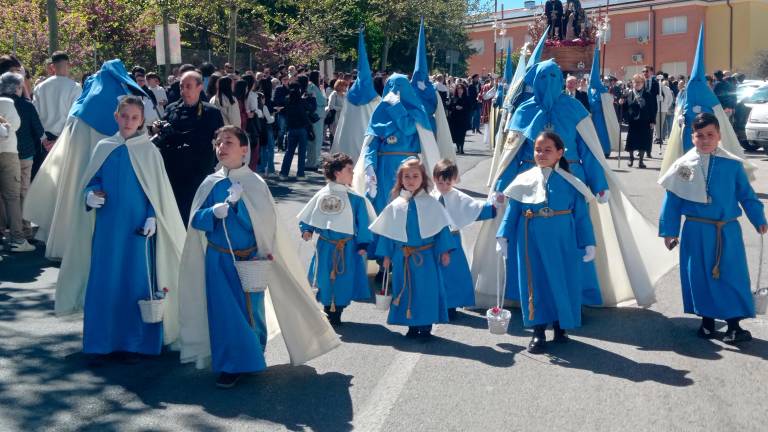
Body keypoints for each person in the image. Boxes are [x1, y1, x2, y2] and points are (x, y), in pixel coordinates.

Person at [178, 125, 340, 388]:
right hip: (217, 259)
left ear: (244, 149)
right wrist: (213, 213)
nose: (222, 147)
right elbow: (196, 219)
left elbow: (265, 222)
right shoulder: (210, 183)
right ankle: (232, 364)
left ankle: (251, 354)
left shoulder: (254, 183)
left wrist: (239, 207)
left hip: (248, 260)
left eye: (228, 142)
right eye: (218, 142)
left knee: (250, 311)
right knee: (224, 312)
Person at [56, 95, 185, 364]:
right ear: (116, 117)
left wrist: (152, 217)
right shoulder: (104, 147)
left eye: (134, 118)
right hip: (107, 230)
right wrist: (90, 195)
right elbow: (93, 180)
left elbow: (157, 192)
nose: (128, 122)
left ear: (141, 121)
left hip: (138, 230)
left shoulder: (149, 151)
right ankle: (102, 342)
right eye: (124, 116)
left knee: (136, 283)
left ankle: (136, 342)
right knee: (105, 281)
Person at [659, 113, 767, 344]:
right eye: (700, 135)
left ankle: (733, 326)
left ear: (719, 135)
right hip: (696, 231)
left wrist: (758, 218)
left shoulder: (732, 164)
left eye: (710, 134)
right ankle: (707, 322)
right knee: (699, 276)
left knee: (732, 275)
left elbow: (746, 196)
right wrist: (669, 231)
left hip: (726, 230)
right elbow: (673, 201)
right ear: (692, 137)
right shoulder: (682, 166)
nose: (705, 139)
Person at [497, 131, 596, 353]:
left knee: (563, 282)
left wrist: (588, 242)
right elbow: (512, 212)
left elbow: (581, 216)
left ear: (560, 153)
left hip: (564, 241)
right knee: (536, 283)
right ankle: (538, 331)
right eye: (538, 149)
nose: (541, 154)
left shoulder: (572, 183)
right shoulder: (523, 180)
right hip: (531, 241)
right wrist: (503, 235)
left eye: (547, 150)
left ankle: (561, 327)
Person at [369, 158, 454, 338]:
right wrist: (386, 256)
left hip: (426, 258)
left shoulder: (432, 204)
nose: (411, 180)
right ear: (400, 180)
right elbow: (388, 233)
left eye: (415, 176)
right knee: (405, 289)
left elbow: (442, 230)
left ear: (423, 178)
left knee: (426, 291)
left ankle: (425, 325)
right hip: (402, 258)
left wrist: (445, 250)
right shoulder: (396, 205)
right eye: (406, 176)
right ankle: (411, 325)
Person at [298, 153, 375, 325]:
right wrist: (307, 229)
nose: (353, 173)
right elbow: (309, 215)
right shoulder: (323, 194)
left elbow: (362, 221)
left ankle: (337, 309)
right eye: (349, 170)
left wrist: (363, 242)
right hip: (325, 246)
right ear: (337, 172)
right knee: (324, 278)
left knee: (343, 279)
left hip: (347, 247)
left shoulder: (355, 199)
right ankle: (327, 307)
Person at [152, 71, 224, 224]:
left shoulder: (211, 112)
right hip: (173, 173)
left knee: (196, 217)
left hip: (199, 174)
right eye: (181, 87)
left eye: (188, 86)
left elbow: (220, 140)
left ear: (200, 87)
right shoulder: (172, 109)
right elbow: (161, 136)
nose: (183, 91)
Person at [431, 159, 497, 320]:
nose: (444, 186)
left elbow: (474, 207)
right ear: (434, 179)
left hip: (452, 240)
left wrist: (493, 206)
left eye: (448, 183)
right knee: (434, 273)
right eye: (440, 182)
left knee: (455, 273)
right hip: (432, 241)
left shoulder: (457, 196)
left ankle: (452, 305)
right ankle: (436, 303)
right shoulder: (430, 196)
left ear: (453, 180)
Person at [1, 72, 43, 240]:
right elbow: (38, 129)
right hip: (24, 153)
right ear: (18, 87)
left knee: (3, 194)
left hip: (4, 151)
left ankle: (4, 229)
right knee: (22, 192)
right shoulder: (26, 105)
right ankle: (24, 228)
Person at [32, 51, 82, 170]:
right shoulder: (75, 87)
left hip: (44, 141)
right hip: (65, 138)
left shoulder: (40, 87)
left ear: (52, 66)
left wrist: (44, 140)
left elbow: (35, 116)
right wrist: (59, 141)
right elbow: (74, 117)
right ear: (68, 65)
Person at [279, 81, 315, 180]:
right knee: (302, 152)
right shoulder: (302, 101)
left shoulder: (287, 100)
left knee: (289, 152)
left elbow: (283, 110)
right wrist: (312, 98)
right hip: (302, 128)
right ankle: (300, 174)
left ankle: (284, 173)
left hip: (291, 128)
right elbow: (312, 109)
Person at [621, 73, 656, 168]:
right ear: (632, 83)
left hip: (645, 121)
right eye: (635, 82)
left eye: (639, 82)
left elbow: (652, 108)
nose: (637, 84)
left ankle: (641, 161)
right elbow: (625, 109)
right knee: (631, 141)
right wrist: (622, 103)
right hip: (633, 121)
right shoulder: (628, 94)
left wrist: (653, 121)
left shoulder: (648, 94)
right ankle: (631, 158)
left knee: (643, 141)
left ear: (643, 83)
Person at [306, 71, 327, 171]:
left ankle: (311, 161)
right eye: (319, 76)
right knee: (317, 140)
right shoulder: (313, 86)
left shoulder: (311, 86)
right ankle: (314, 162)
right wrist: (323, 93)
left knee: (312, 140)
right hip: (317, 116)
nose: (320, 78)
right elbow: (323, 101)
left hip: (315, 115)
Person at [448, 83, 472, 154]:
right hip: (454, 119)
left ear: (463, 90)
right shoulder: (453, 98)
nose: (460, 90)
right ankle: (458, 148)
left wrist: (463, 108)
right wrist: (455, 107)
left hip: (463, 118)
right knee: (455, 134)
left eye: (461, 88)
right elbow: (449, 107)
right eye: (458, 88)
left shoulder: (467, 98)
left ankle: (461, 148)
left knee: (462, 134)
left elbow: (470, 108)